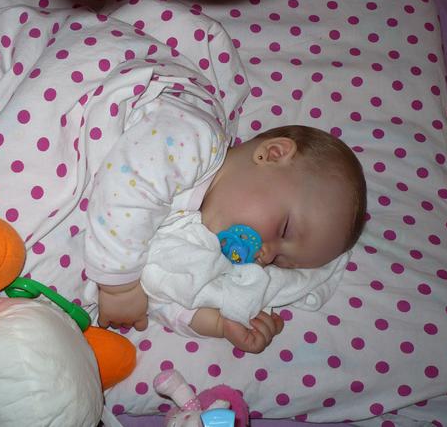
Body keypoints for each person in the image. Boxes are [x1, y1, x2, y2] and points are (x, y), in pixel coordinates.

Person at [84, 105, 367, 353]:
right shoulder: (195, 140)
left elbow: (159, 288)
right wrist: (120, 288)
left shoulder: (198, 241)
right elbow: (126, 186)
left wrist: (219, 323)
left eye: (280, 261)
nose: (267, 255)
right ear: (272, 154)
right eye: (284, 230)